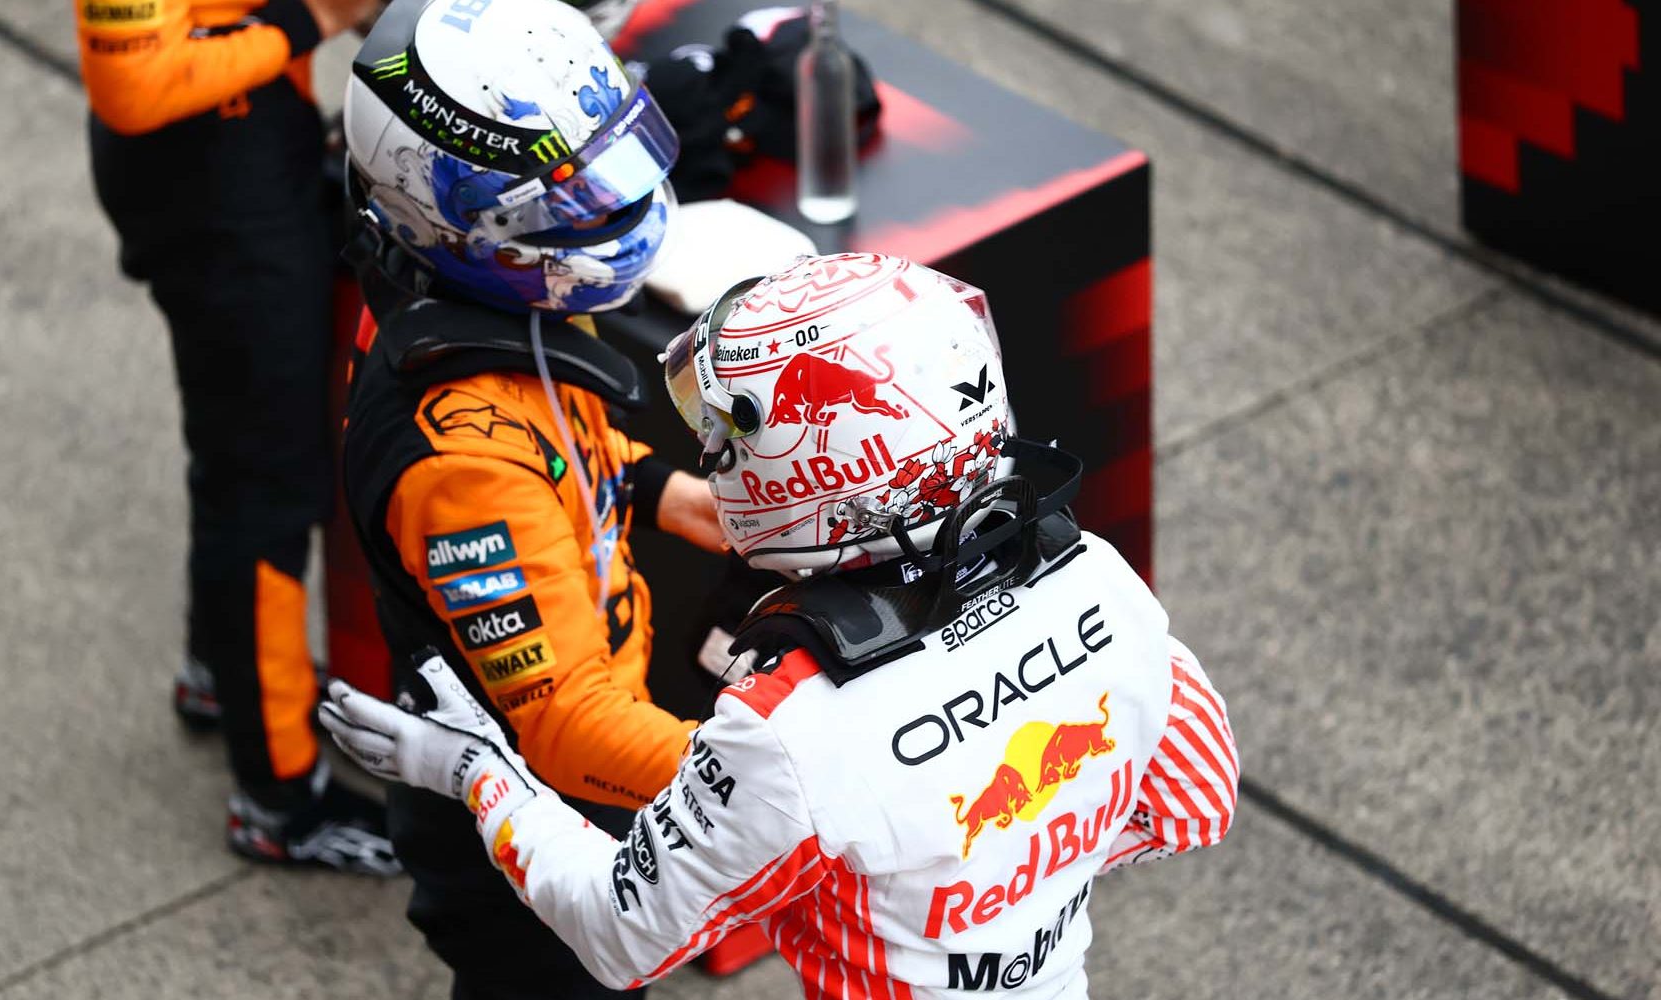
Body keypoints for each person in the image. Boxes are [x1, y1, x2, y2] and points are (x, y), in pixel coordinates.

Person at [322, 253, 1242, 998]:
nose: (716, 454)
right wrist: (1014, 876)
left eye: (730, 435)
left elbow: (616, 936)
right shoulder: (1097, 579)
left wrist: (475, 771)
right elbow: (1199, 798)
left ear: (823, 462)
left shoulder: (791, 728)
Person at [334, 0, 723, 995]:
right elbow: (569, 728)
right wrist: (787, 790)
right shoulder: (461, 462)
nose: (607, 219)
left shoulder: (496, 300)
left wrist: (655, 487)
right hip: (526, 834)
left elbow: (556, 445)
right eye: (571, 203)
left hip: (576, 766)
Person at [75, 0, 399, 872]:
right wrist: (317, 18)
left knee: (236, 452)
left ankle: (220, 673)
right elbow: (133, 88)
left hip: (254, 134)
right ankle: (278, 797)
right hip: (208, 184)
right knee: (265, 489)